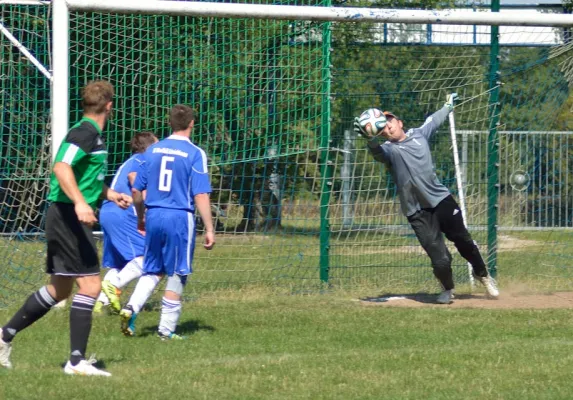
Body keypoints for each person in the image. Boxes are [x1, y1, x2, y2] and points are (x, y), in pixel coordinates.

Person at [0, 80, 131, 376]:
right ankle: (76, 362)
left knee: (59, 290)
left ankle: (4, 335)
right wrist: (82, 204)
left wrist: (109, 194)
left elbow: (83, 177)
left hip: (65, 214)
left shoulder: (90, 134)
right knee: (91, 285)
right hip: (69, 217)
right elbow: (61, 168)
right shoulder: (84, 133)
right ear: (109, 106)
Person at [353, 94, 499, 304]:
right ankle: (448, 288)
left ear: (399, 122)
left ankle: (483, 275)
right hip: (417, 212)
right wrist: (369, 140)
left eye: (389, 122)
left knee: (464, 241)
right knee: (440, 259)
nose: (387, 127)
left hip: (441, 201)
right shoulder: (388, 150)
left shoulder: (419, 134)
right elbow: (376, 153)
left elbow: (434, 119)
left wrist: (448, 105)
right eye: (382, 127)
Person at [119, 104, 215, 339]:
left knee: (153, 267)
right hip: (179, 216)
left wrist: (141, 216)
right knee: (178, 271)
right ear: (192, 123)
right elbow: (200, 194)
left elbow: (137, 190)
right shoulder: (195, 153)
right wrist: (210, 228)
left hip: (154, 214)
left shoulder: (152, 151)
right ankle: (166, 330)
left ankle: (131, 308)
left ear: (169, 124)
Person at [95, 131, 158, 314]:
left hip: (108, 211)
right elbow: (133, 177)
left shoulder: (131, 159)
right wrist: (147, 204)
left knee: (120, 264)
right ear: (151, 147)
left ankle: (101, 304)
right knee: (146, 258)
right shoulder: (143, 158)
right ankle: (113, 285)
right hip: (123, 212)